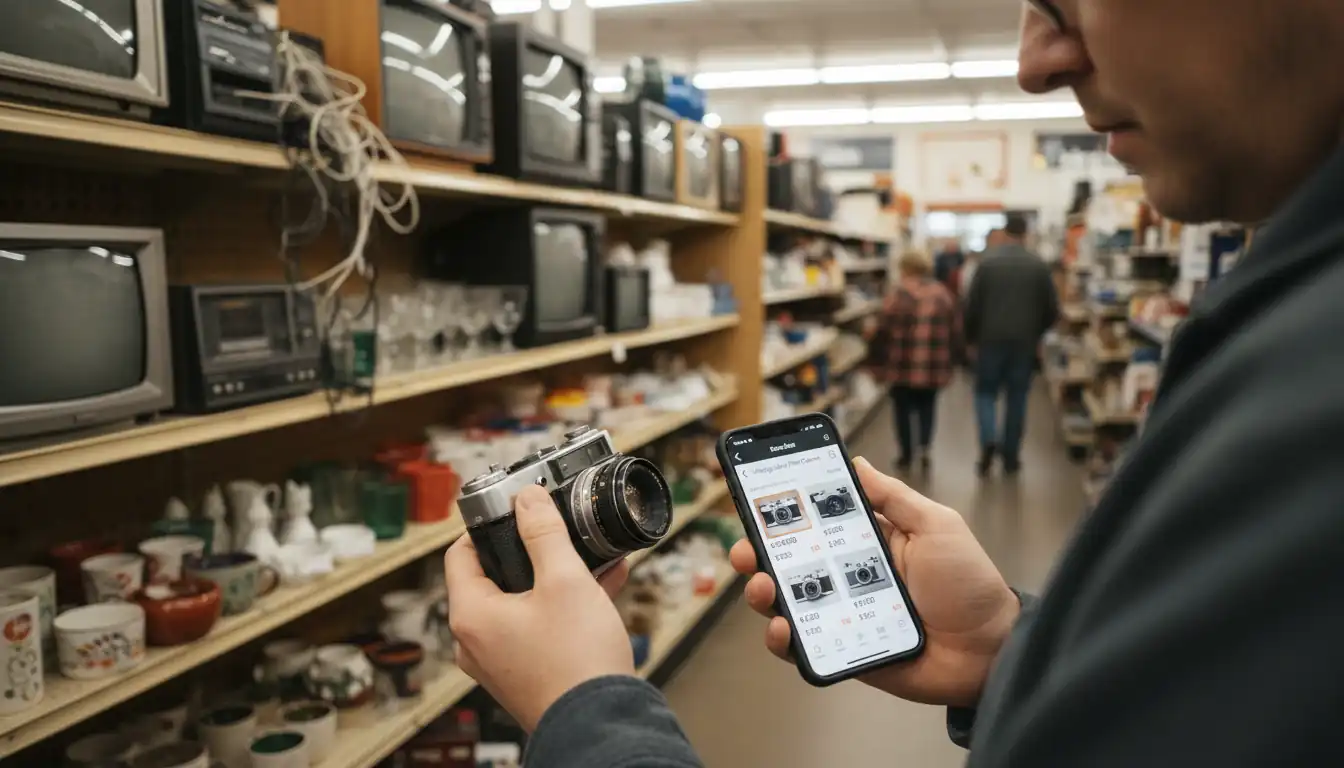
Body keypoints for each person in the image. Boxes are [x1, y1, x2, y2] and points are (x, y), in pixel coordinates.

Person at [445, 1, 1344, 766]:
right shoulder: (1287, 326)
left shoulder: (1311, 392)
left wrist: (584, 706)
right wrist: (1010, 650)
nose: (1034, 59)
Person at [964, 213, 1059, 476]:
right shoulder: (1038, 266)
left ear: (1005, 233)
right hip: (1024, 342)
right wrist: (1038, 333)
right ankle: (1011, 456)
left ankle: (988, 441)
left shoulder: (987, 264)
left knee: (985, 394)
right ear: (1026, 234)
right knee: (1017, 398)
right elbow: (1051, 308)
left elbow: (972, 306)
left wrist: (970, 339)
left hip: (989, 340)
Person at [869, 249, 963, 470]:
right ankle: (925, 448)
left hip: (900, 365)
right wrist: (955, 360)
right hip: (933, 366)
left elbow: (881, 331)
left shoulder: (896, 295)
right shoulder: (943, 294)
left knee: (902, 409)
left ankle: (905, 453)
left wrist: (875, 362)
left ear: (905, 269)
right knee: (927, 407)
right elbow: (955, 330)